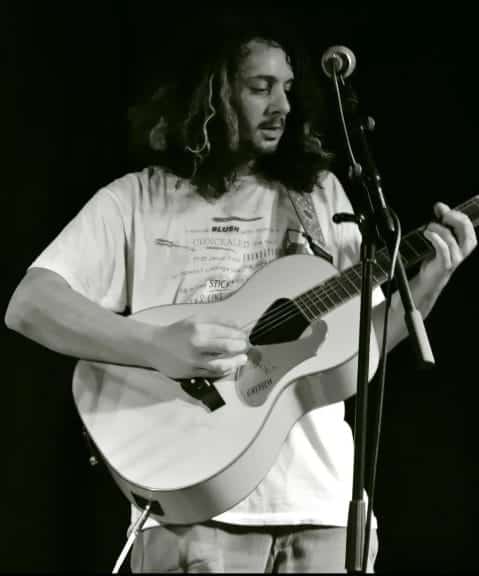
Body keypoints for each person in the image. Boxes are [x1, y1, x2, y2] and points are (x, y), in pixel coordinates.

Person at [5, 18, 477, 574]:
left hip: (324, 510)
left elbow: (356, 352)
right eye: (260, 87)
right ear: (212, 93)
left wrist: (427, 286)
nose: (282, 104)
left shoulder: (319, 194)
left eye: (287, 87)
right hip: (191, 512)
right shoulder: (137, 198)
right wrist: (155, 344)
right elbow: (30, 303)